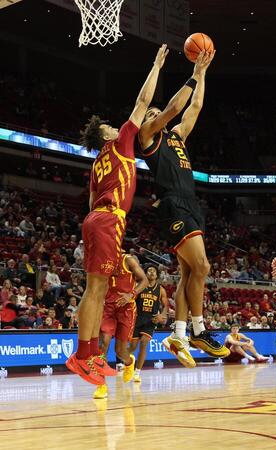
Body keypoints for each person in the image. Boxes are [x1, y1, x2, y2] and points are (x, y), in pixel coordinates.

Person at [66, 44, 169, 385]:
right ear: (106, 134)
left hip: (96, 217)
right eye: (111, 125)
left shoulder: (97, 163)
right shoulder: (121, 142)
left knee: (95, 288)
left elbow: (92, 198)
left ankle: (92, 353)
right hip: (109, 220)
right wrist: (155, 66)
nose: (116, 126)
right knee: (96, 290)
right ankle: (83, 356)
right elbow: (142, 104)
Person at [136, 50, 229, 368]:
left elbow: (194, 107)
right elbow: (176, 107)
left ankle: (178, 334)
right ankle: (200, 330)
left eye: (155, 114)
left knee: (190, 272)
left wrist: (202, 73)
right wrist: (192, 74)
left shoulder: (176, 137)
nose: (155, 116)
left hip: (190, 203)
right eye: (152, 114)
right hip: (172, 203)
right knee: (202, 267)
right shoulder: (148, 137)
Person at [93, 253, 148, 399]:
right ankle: (101, 385)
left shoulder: (127, 260)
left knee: (120, 351)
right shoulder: (102, 260)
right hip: (108, 307)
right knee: (103, 342)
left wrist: (131, 294)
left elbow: (144, 280)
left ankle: (129, 362)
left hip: (127, 308)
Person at [129, 264, 168, 382]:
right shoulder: (139, 286)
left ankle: (137, 372)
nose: (151, 272)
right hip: (137, 318)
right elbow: (131, 301)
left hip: (151, 320)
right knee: (132, 347)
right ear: (145, 274)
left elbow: (166, 305)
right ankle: (126, 364)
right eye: (149, 271)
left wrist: (162, 315)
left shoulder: (160, 289)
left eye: (153, 271)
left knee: (144, 343)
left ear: (157, 275)